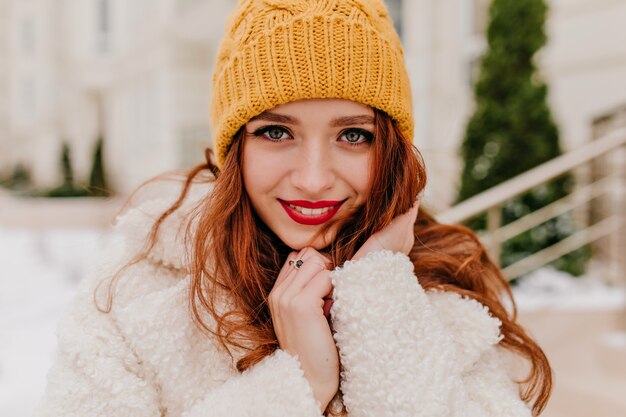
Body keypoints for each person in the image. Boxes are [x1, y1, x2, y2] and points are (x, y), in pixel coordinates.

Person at [34, 0, 552, 416]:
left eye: (353, 135)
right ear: (234, 148)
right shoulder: (135, 299)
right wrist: (298, 384)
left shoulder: (440, 289)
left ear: (390, 149)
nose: (311, 179)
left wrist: (379, 294)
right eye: (276, 132)